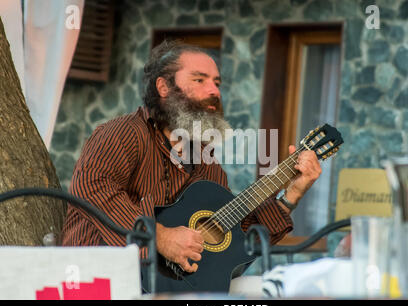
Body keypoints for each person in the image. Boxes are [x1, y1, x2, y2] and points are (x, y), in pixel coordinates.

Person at [61, 40, 322, 276]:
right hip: (96, 282)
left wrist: (289, 198)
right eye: (200, 80)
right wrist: (159, 238)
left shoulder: (208, 164)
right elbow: (92, 188)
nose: (214, 92)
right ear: (163, 87)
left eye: (217, 83)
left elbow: (233, 240)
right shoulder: (123, 132)